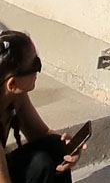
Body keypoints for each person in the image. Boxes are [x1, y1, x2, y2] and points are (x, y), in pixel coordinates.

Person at [0, 32, 84, 181]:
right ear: (12, 84)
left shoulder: (16, 97)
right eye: (35, 64)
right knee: (41, 163)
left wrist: (68, 149)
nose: (38, 70)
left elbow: (41, 133)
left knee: (55, 147)